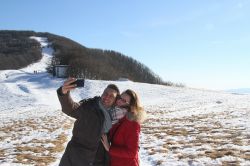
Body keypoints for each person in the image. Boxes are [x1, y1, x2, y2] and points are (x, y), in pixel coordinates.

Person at [57, 77, 120, 166]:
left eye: (111, 96)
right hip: (77, 158)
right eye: (105, 93)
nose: (107, 97)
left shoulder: (116, 115)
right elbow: (71, 109)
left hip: (100, 160)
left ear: (115, 101)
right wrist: (64, 93)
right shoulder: (90, 105)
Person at [101, 89, 146, 166]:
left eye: (124, 101)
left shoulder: (132, 123)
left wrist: (109, 149)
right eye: (120, 98)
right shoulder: (117, 118)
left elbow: (132, 152)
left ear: (131, 106)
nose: (119, 101)